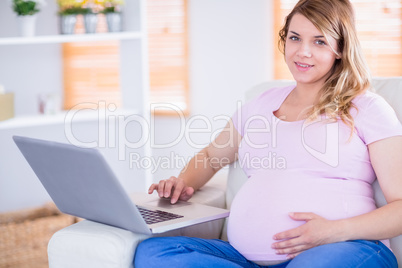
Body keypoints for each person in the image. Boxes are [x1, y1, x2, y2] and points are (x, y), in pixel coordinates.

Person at [135, 0, 402, 267]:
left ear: (341, 49)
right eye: (295, 38)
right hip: (244, 259)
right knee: (153, 252)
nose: (303, 52)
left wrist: (334, 230)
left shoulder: (367, 108)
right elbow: (210, 156)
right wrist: (183, 182)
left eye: (319, 41)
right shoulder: (261, 104)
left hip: (346, 249)